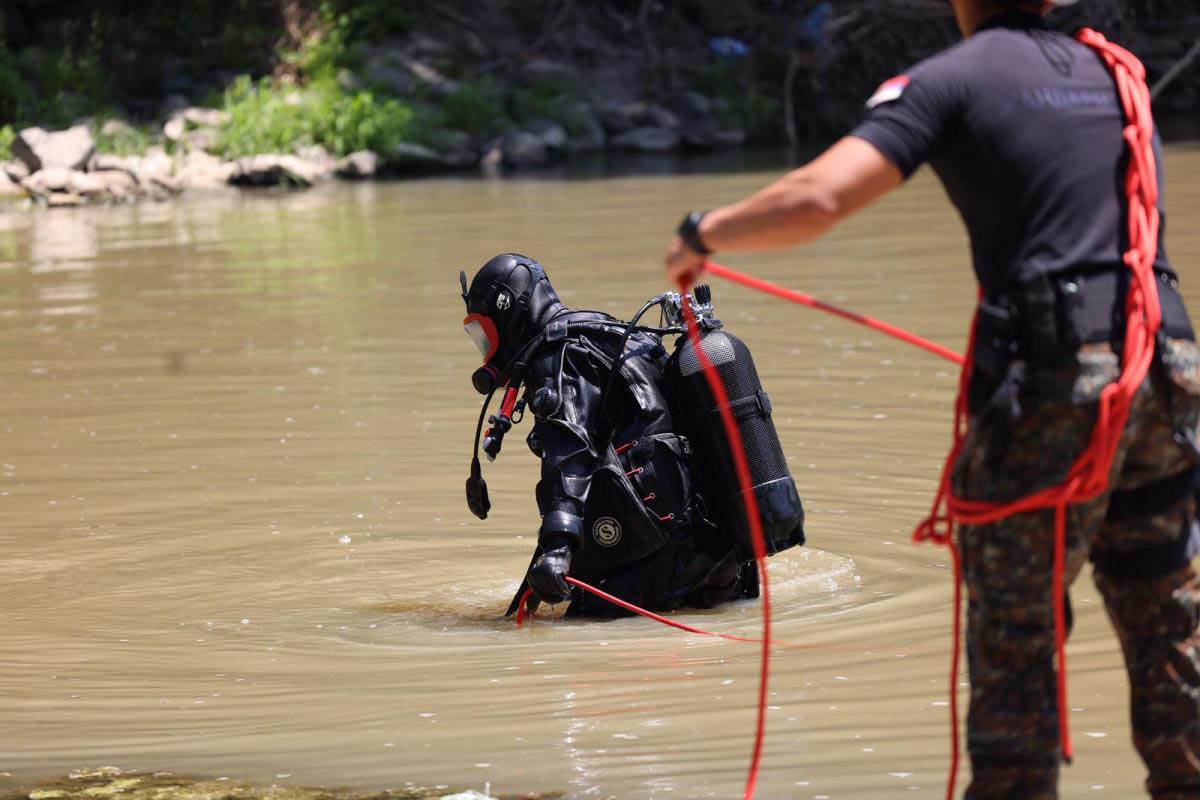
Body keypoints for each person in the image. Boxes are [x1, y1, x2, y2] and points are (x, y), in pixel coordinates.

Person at [662, 1, 1200, 798]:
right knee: (1172, 636)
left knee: (1017, 653)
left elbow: (819, 198)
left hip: (1057, 388)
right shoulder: (1120, 75)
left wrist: (704, 234)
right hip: (1167, 375)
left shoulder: (947, 81)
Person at [460, 253, 806, 617]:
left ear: (508, 311)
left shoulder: (559, 358)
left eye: (485, 333)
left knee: (576, 655)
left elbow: (569, 455)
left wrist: (558, 549)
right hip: (717, 553)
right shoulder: (615, 336)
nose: (485, 351)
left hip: (652, 564)